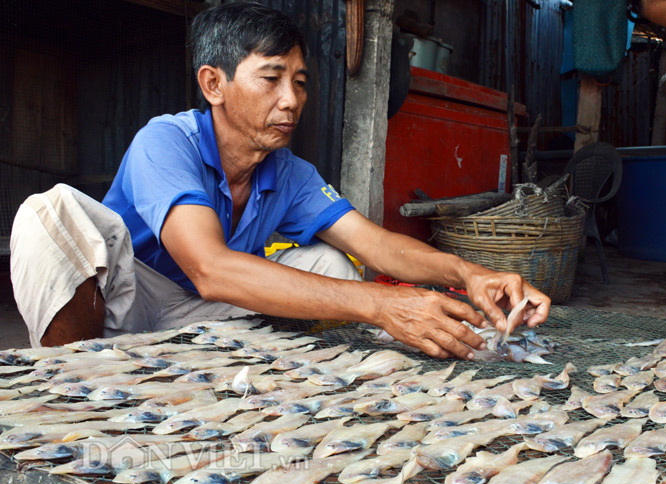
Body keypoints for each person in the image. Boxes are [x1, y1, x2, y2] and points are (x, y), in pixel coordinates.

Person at [10, 2, 550, 360]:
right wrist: (383, 306)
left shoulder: (288, 172)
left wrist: (470, 272)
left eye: (298, 82)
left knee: (336, 262)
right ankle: (72, 389)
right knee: (48, 213)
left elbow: (377, 246)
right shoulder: (167, 140)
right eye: (271, 79)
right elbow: (209, 268)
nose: (291, 100)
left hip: (202, 322)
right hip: (128, 306)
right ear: (213, 84)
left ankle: (267, 382)